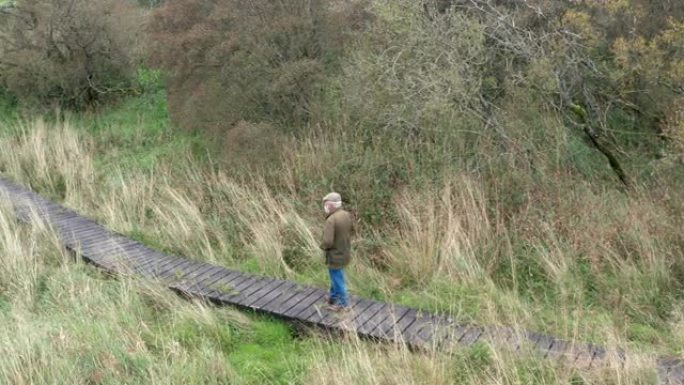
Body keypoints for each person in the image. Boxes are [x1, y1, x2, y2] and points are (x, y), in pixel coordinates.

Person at [320, 192, 353, 312]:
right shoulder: (346, 215)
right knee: (336, 277)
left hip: (334, 255)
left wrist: (322, 246)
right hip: (345, 252)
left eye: (326, 204)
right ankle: (333, 298)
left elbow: (327, 242)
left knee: (338, 280)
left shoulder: (331, 220)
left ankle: (344, 305)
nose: (325, 206)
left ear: (331, 205)